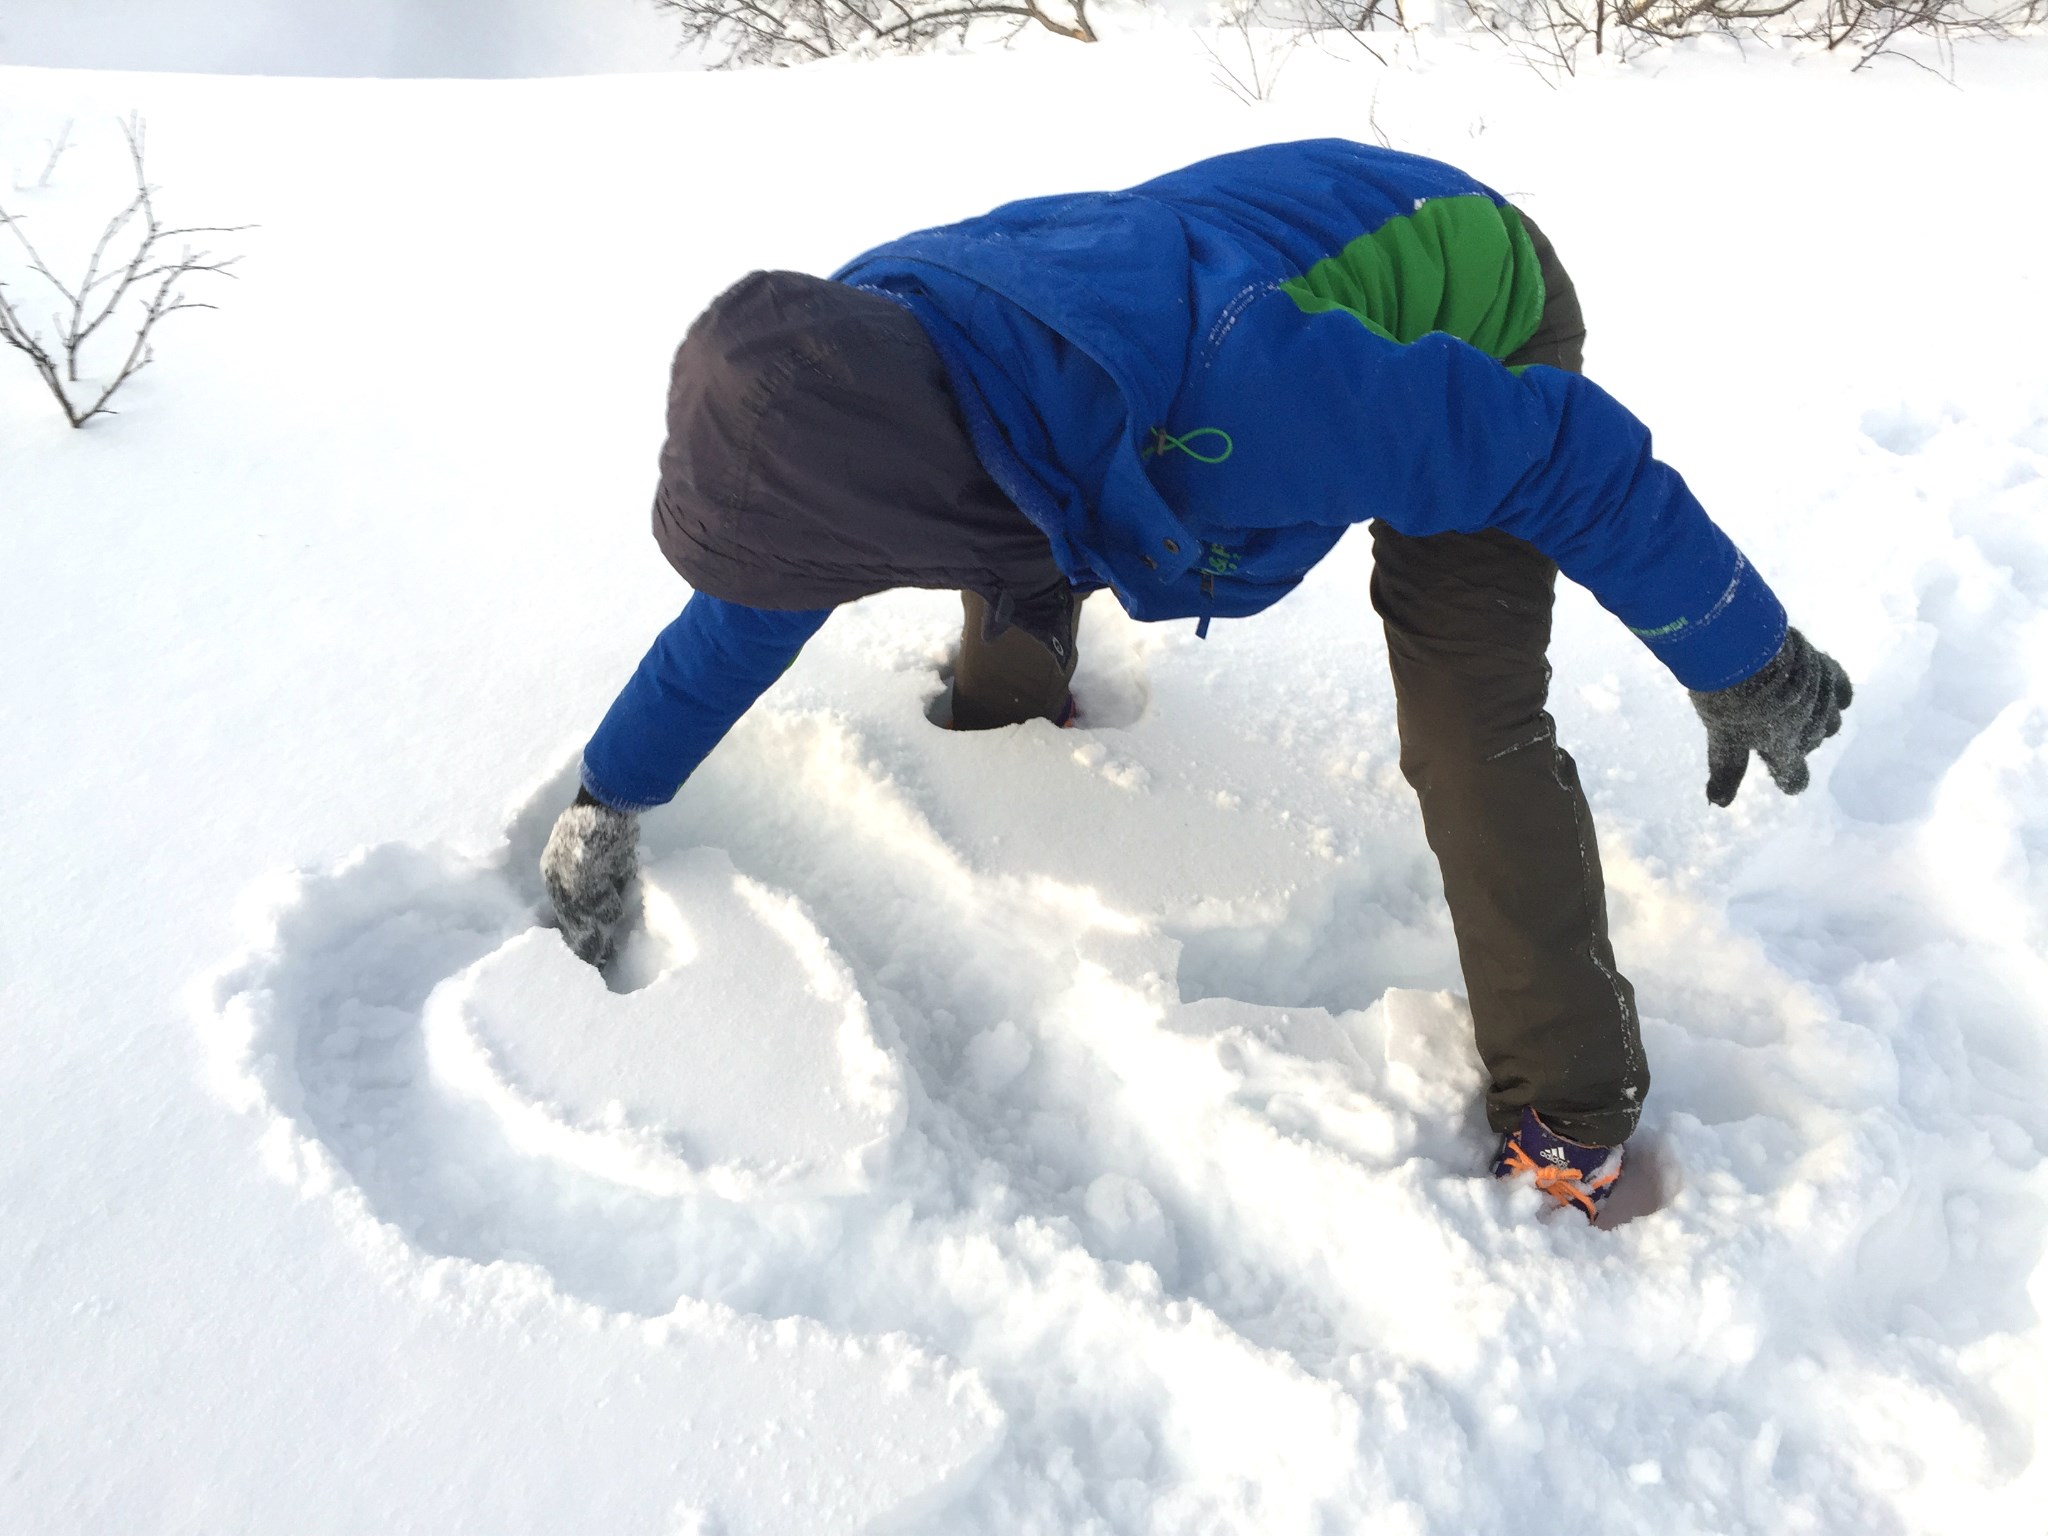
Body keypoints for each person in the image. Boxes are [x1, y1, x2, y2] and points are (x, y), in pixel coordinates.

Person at [539, 139, 1852, 1222]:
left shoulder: (1246, 406)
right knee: (1026, 516)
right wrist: (610, 793)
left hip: (1467, 305)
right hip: (1186, 311)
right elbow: (750, 610)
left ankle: (1572, 1110)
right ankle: (1006, 708)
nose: (794, 586)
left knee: (1468, 716)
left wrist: (1742, 653)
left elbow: (1560, 454)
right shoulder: (849, 358)